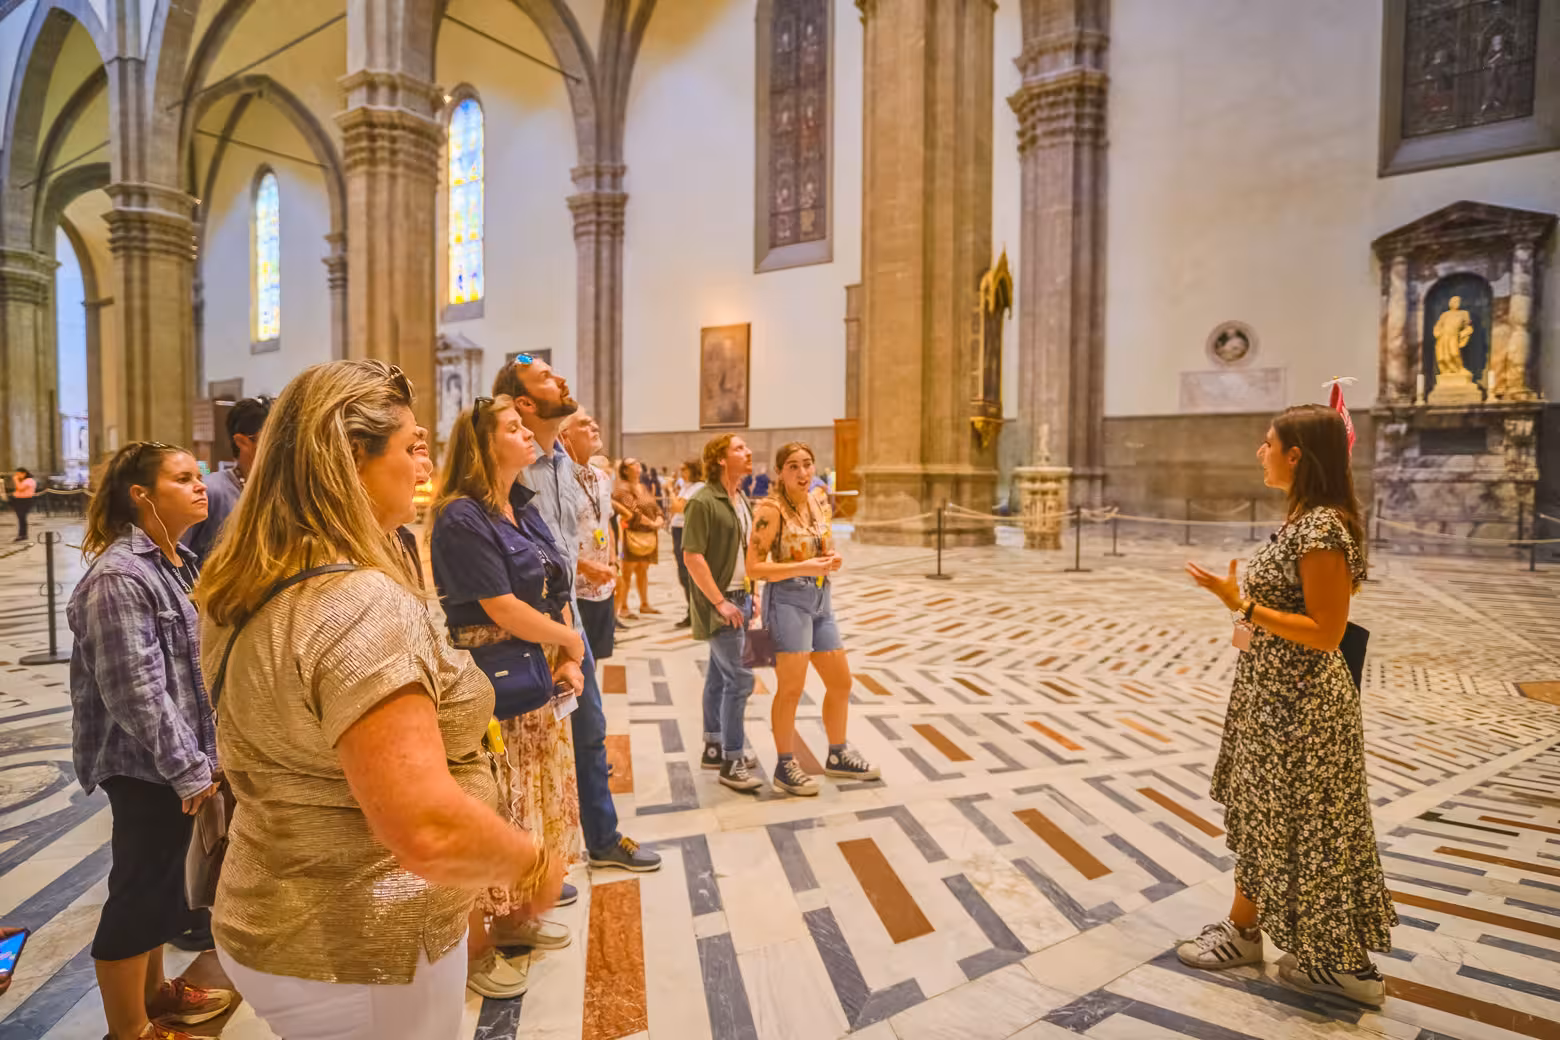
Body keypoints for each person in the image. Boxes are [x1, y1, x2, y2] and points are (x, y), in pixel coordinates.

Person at [197, 360, 561, 1039]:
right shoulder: (357, 605)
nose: (426, 462)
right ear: (350, 460)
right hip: (363, 942)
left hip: (272, 908)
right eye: (410, 446)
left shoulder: (252, 574)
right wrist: (530, 862)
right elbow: (424, 825)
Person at [1180, 404, 1395, 1006]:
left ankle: (1341, 966)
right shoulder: (1304, 520)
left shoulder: (1322, 527)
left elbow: (1326, 630)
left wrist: (1242, 606)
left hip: (1302, 706)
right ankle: (1246, 931)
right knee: (1266, 815)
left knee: (1312, 828)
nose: (1260, 451)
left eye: (1267, 442)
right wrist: (1239, 603)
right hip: (1273, 696)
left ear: (1296, 455)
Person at [67, 441, 233, 1040]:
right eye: (183, 478)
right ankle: (130, 1028)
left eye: (198, 476)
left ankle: (157, 991)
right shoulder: (120, 577)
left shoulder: (175, 562)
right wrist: (188, 767)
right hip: (142, 764)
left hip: (175, 756)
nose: (199, 486)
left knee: (165, 883)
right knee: (138, 891)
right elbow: (134, 690)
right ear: (142, 495)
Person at [430, 396, 585, 991]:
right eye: (515, 427)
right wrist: (569, 640)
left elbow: (554, 580)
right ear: (483, 445)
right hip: (494, 679)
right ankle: (477, 948)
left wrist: (568, 654)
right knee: (495, 808)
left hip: (541, 669)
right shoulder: (461, 516)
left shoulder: (522, 504)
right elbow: (500, 606)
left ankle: (518, 922)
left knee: (533, 807)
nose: (528, 434)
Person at [493, 354, 661, 873]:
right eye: (545, 377)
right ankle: (528, 865)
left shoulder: (563, 461)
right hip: (526, 624)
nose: (561, 379)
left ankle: (602, 839)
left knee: (588, 729)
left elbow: (558, 544)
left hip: (568, 617)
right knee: (528, 746)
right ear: (523, 402)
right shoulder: (513, 470)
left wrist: (578, 578)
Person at [747, 443, 879, 796]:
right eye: (793, 466)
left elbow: (820, 545)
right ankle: (785, 764)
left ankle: (837, 755)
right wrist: (804, 567)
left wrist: (830, 558)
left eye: (807, 465)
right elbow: (754, 567)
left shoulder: (818, 500)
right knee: (791, 688)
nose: (802, 473)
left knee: (841, 682)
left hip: (821, 598)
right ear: (780, 472)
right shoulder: (770, 510)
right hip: (787, 600)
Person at [682, 434, 762, 792]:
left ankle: (714, 744)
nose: (748, 452)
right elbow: (692, 556)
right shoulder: (703, 500)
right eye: (740, 449)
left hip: (741, 597)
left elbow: (746, 551)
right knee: (741, 679)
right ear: (719, 459)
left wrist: (753, 593)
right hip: (720, 603)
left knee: (720, 675)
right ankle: (732, 759)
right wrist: (719, 602)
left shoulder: (740, 497)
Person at [182, 396, 271, 563]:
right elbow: (177, 557)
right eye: (270, 438)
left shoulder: (280, 491)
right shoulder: (210, 491)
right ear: (241, 441)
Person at [560, 410, 618, 660]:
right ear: (565, 437)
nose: (594, 425)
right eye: (584, 424)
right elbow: (546, 540)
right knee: (577, 666)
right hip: (572, 593)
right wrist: (583, 566)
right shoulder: (556, 480)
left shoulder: (602, 477)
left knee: (597, 662)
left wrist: (614, 561)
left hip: (603, 587)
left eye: (593, 421)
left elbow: (605, 524)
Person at [612, 458, 665, 618]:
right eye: (632, 464)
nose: (637, 466)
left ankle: (644, 604)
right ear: (625, 470)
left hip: (648, 534)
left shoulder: (642, 487)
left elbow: (654, 506)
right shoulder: (621, 489)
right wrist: (651, 523)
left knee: (643, 569)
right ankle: (624, 606)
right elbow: (632, 510)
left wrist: (660, 518)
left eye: (637, 463)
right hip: (631, 533)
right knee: (627, 571)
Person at [668, 459, 705, 629]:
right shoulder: (687, 486)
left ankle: (696, 612)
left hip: (686, 530)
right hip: (678, 530)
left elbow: (677, 507)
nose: (682, 472)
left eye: (685, 469)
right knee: (684, 575)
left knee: (689, 574)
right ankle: (692, 611)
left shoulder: (698, 487)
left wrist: (668, 489)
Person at [10, 468, 35, 542]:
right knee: (21, 518)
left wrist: (15, 480)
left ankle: (23, 535)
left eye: (18, 474)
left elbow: (21, 488)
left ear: (24, 473)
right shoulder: (23, 481)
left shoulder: (29, 481)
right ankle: (22, 534)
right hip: (19, 500)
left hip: (25, 501)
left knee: (22, 517)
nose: (16, 476)